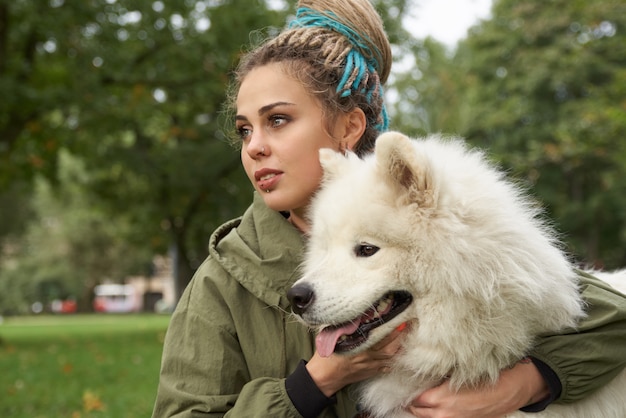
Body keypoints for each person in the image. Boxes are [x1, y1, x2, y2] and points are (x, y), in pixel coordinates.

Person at [151, 1, 626, 417]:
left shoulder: (430, 222)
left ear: (350, 126)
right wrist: (309, 387)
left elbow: (594, 307)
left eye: (278, 120)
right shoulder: (223, 282)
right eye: (244, 130)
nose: (254, 147)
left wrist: (523, 384)